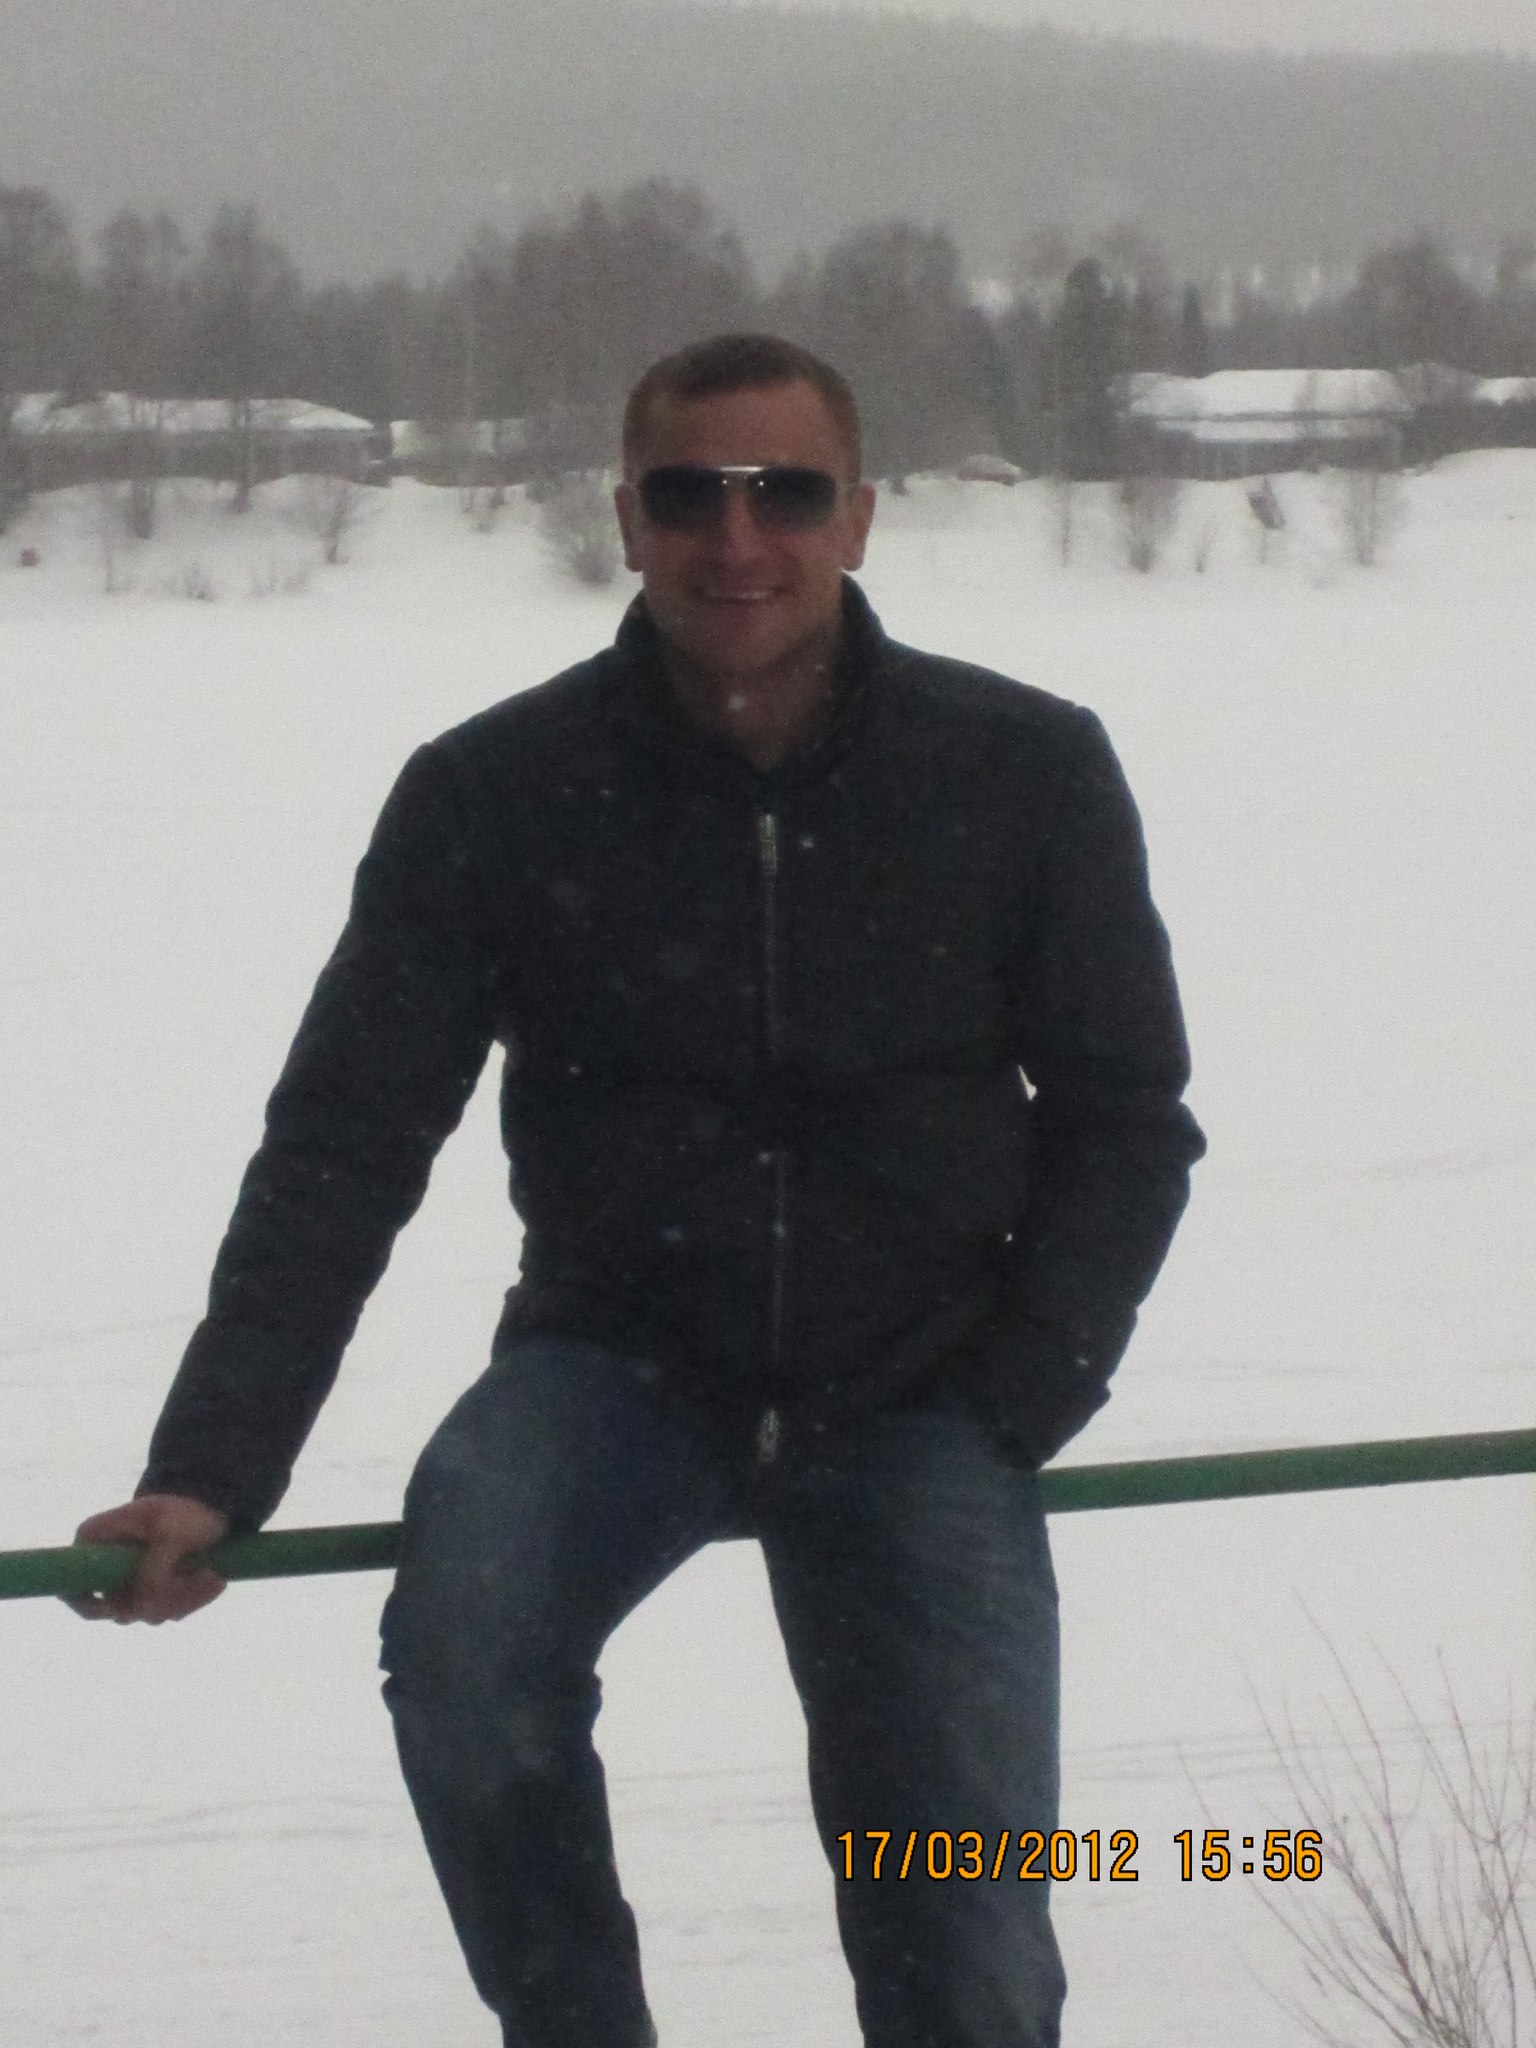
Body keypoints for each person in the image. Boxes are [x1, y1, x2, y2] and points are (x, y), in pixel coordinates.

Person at [71, 332, 1205, 2048]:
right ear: (624, 520)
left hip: (923, 1387)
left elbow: (1128, 1118)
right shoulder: (494, 794)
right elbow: (343, 1148)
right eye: (688, 495)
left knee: (965, 1925)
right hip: (615, 1365)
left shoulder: (1021, 769)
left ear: (860, 518)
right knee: (467, 1657)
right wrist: (209, 1468)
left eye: (785, 493)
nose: (737, 538)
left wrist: (1021, 1390)